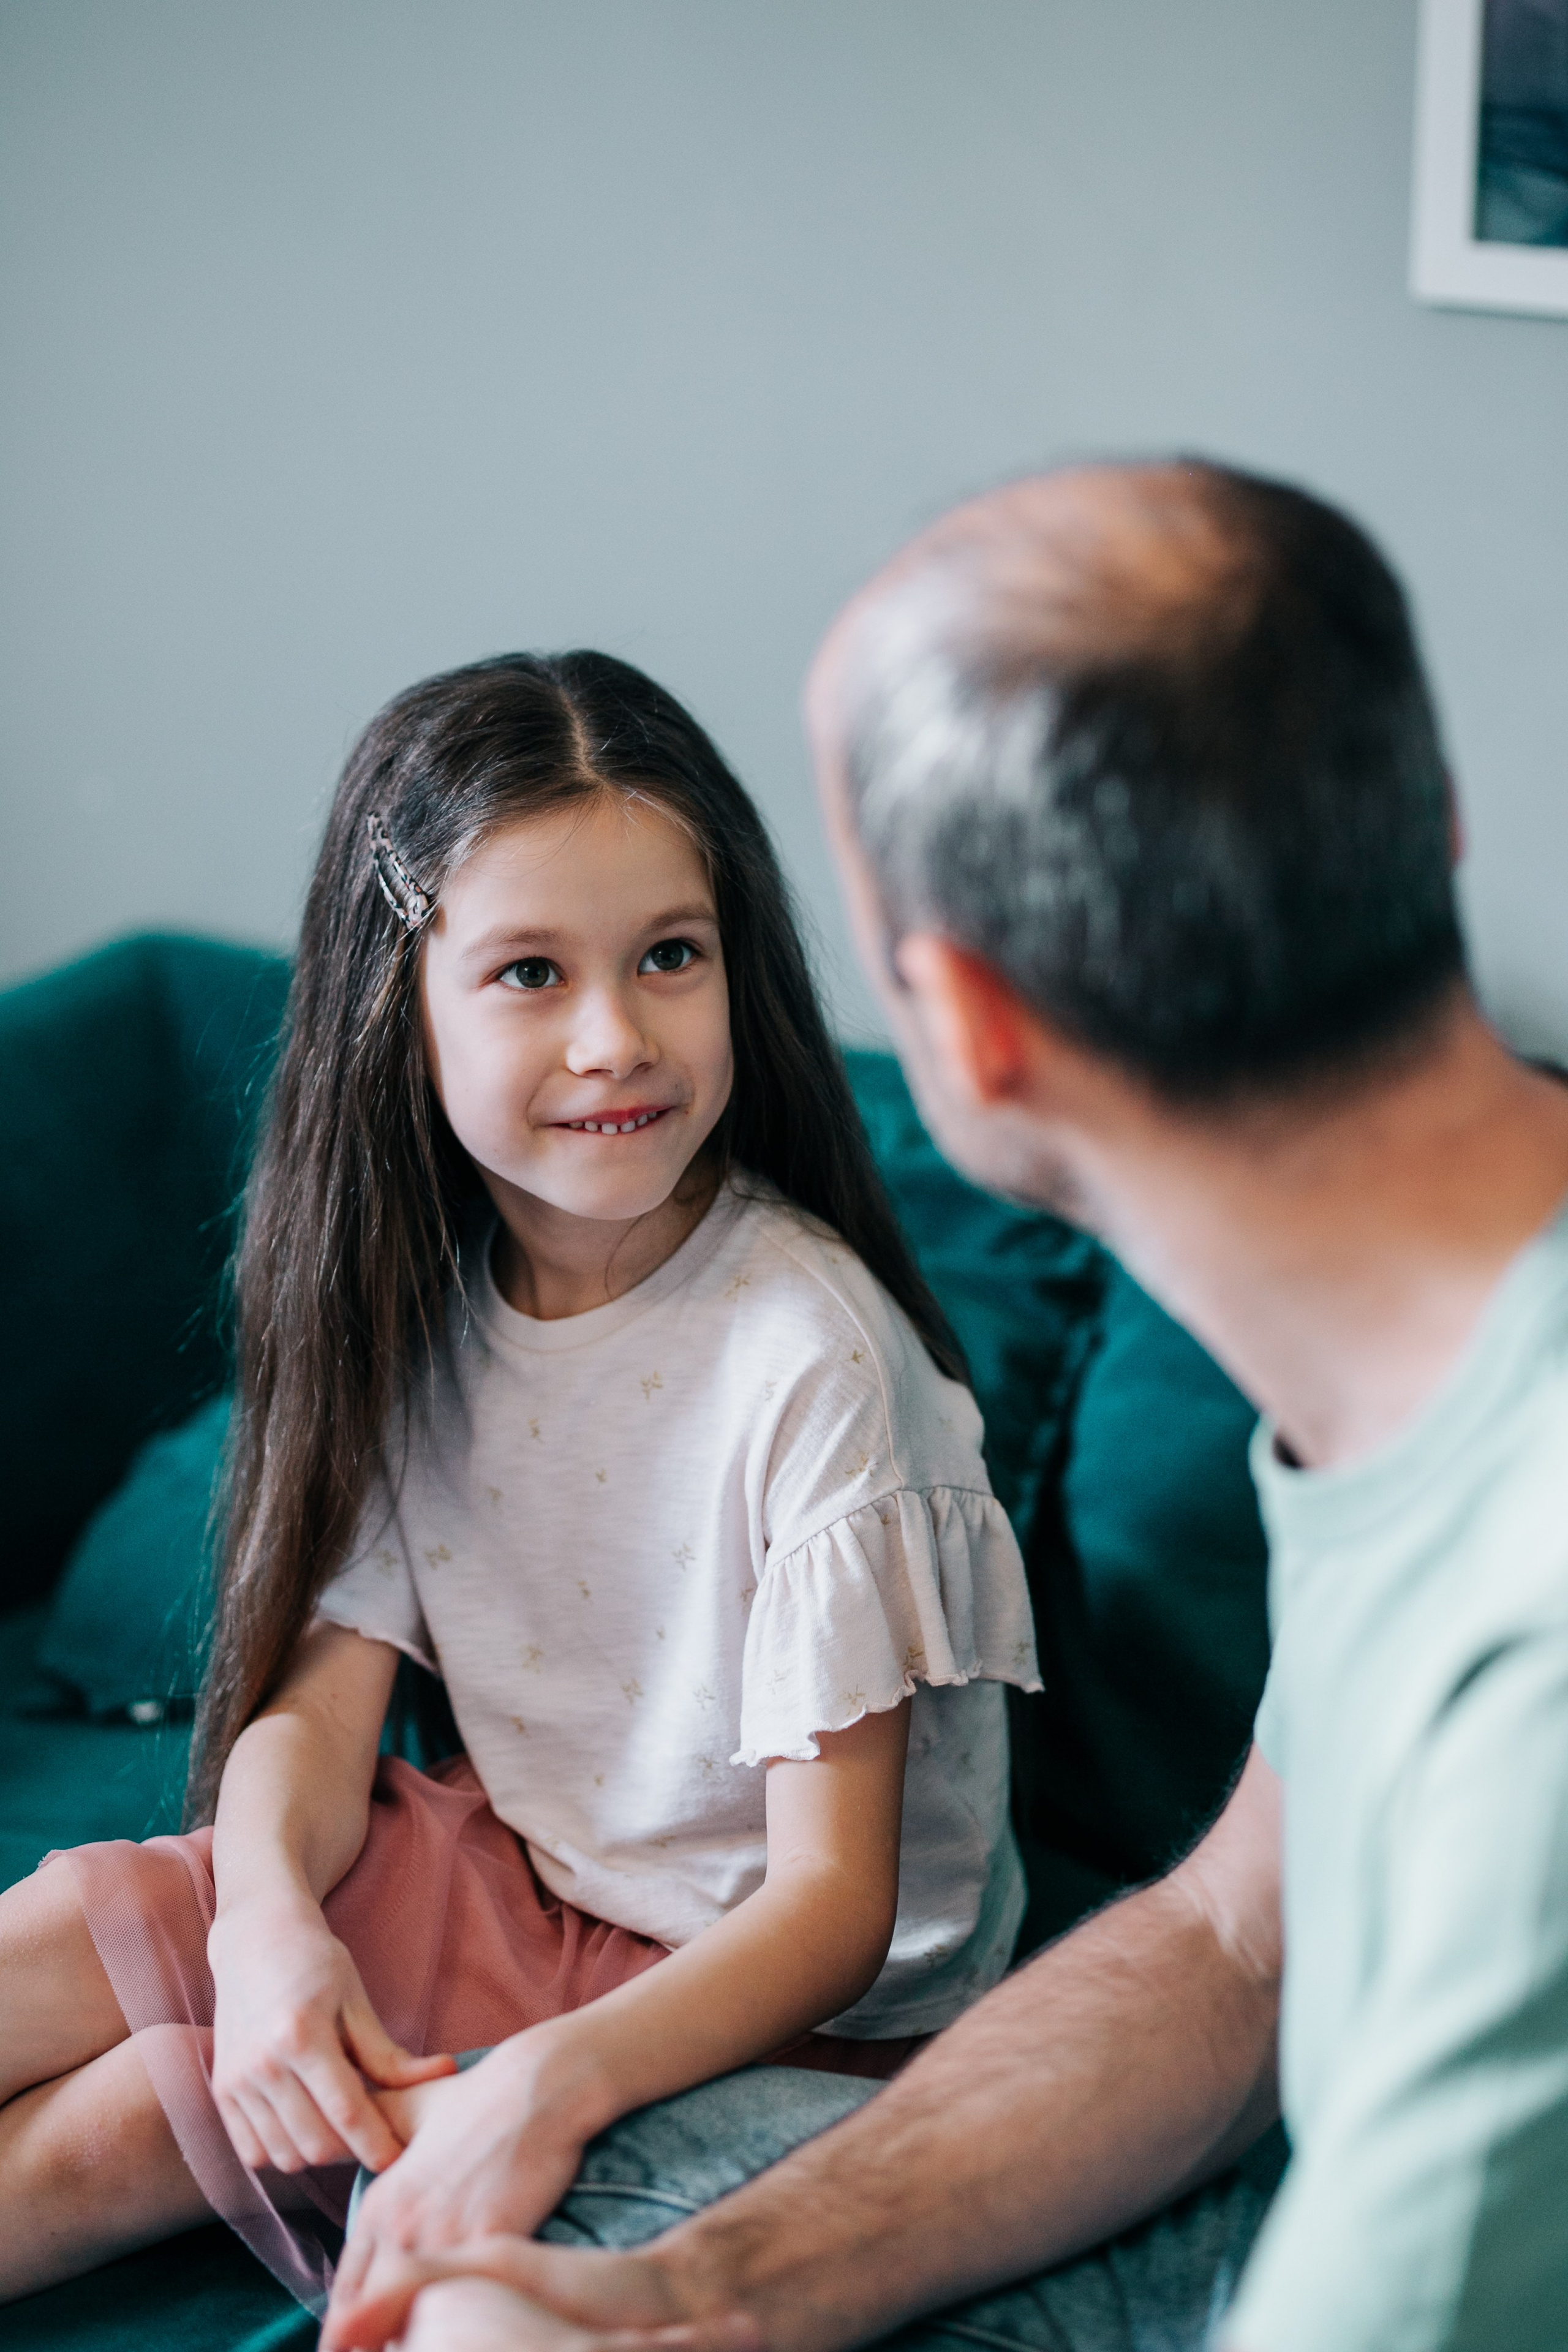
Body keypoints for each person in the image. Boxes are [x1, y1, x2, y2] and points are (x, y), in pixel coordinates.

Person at [322, 462, 1568, 2352]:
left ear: (967, 1026)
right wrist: (691, 2302)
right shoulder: (1425, 1380)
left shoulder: (1534, 1631)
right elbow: (1238, 1943)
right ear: (1439, 830)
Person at [0, 651, 1042, 2313]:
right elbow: (322, 1714)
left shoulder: (812, 1360)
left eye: (669, 958)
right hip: (530, 1875)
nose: (615, 1037)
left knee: (138, 2117)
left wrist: (549, 2077)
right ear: (398, 1012)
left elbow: (837, 1908)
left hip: (780, 2006)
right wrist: (273, 1932)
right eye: (530, 973)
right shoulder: (426, 1304)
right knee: (59, 1946)